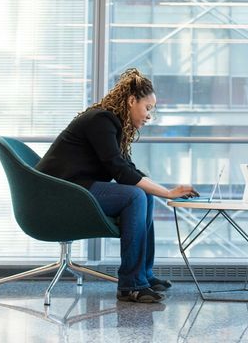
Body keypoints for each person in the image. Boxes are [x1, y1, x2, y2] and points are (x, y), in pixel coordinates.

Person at [36, 68, 198, 304]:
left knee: (142, 193)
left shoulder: (111, 123)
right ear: (132, 101)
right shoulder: (101, 120)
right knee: (135, 196)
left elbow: (127, 169)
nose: (149, 116)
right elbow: (121, 173)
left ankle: (143, 276)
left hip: (76, 188)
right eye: (148, 108)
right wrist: (167, 193)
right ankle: (131, 285)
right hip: (59, 193)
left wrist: (165, 191)